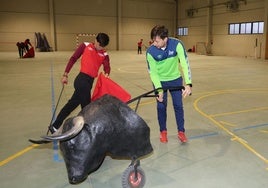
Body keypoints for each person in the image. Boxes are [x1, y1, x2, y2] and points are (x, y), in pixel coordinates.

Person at [48, 33, 110, 134]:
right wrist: (65, 74)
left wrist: (107, 73)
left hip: (89, 83)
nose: (100, 48)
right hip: (81, 80)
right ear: (95, 40)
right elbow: (73, 59)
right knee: (87, 108)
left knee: (72, 104)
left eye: (102, 46)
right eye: (99, 45)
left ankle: (55, 126)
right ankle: (87, 131)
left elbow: (107, 66)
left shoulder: (104, 54)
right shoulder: (85, 46)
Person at [146, 25, 192, 143]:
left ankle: (181, 132)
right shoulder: (150, 52)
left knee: (178, 106)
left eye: (157, 41)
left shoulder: (177, 44)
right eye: (153, 40)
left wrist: (188, 84)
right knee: (161, 106)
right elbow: (153, 74)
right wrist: (159, 90)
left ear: (165, 39)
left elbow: (184, 64)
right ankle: (163, 131)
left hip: (175, 80)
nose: (154, 43)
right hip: (160, 81)